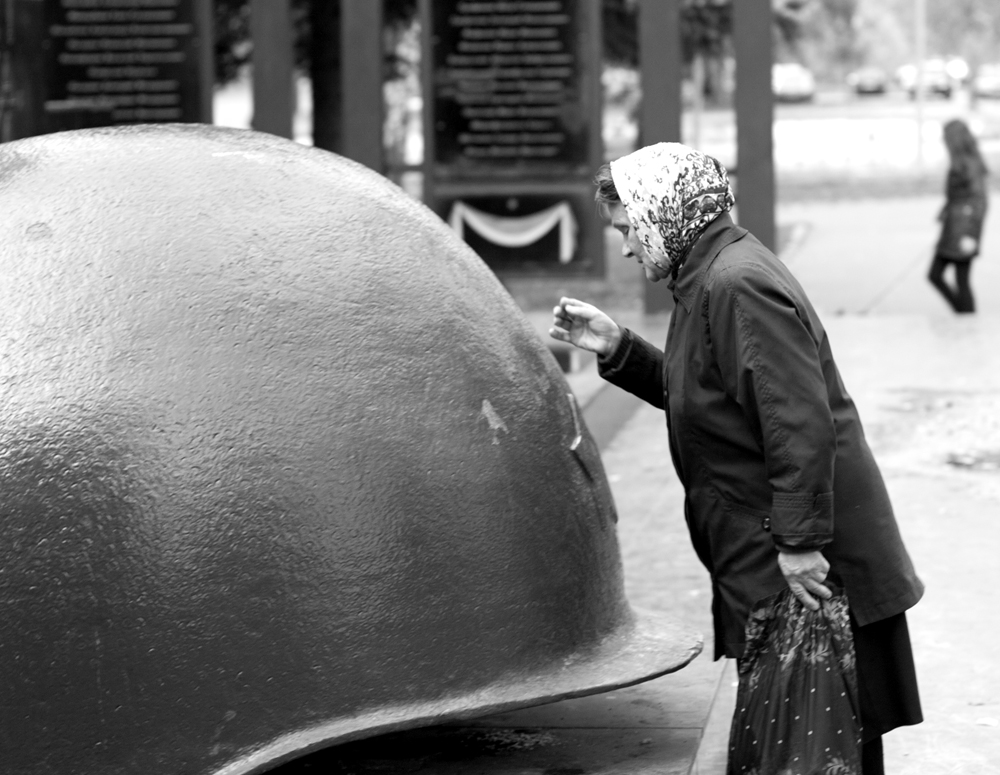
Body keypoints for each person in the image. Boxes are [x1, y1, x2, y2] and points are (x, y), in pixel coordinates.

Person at [550, 143, 924, 774]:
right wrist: (620, 349)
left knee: (814, 743)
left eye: (625, 229)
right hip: (788, 555)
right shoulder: (712, 275)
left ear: (659, 214)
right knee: (819, 740)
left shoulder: (734, 283)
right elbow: (719, 398)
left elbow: (796, 422)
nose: (624, 247)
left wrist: (801, 540)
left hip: (808, 568)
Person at [927, 118, 989, 313]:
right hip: (952, 229)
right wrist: (945, 210)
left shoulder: (969, 164)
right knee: (940, 276)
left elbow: (980, 202)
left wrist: (971, 235)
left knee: (956, 279)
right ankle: (963, 314)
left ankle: (965, 317)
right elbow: (957, 196)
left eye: (945, 139)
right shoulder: (960, 162)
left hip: (963, 233)